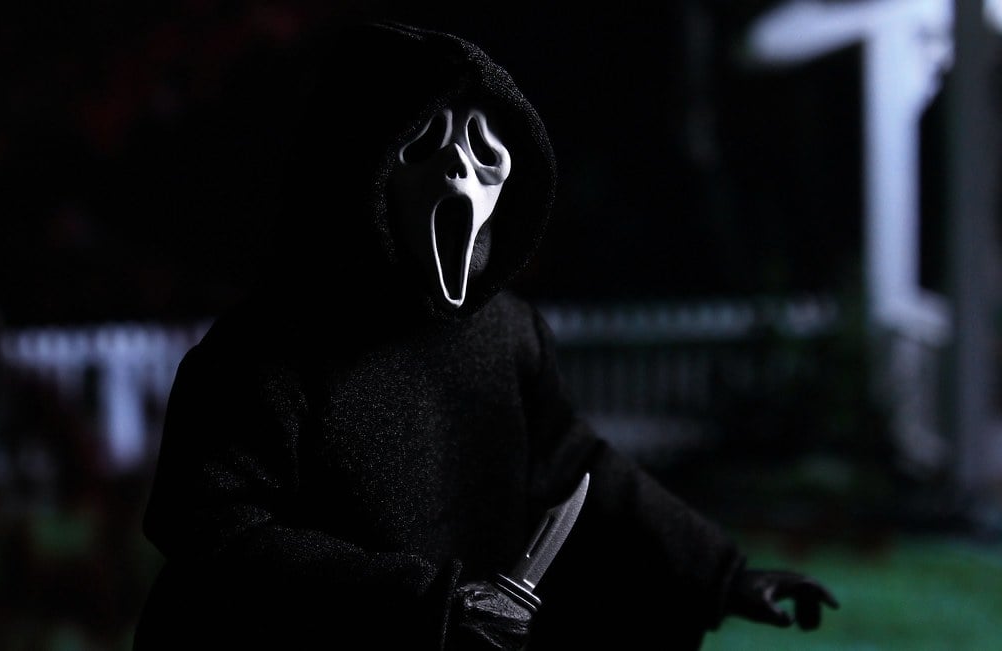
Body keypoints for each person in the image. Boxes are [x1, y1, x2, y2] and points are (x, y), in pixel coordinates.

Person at [133, 20, 837, 650]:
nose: (459, 168)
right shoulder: (262, 355)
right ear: (354, 165)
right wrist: (420, 602)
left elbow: (573, 465)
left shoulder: (507, 334)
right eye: (423, 143)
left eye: (481, 146)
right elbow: (211, 529)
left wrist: (719, 574)